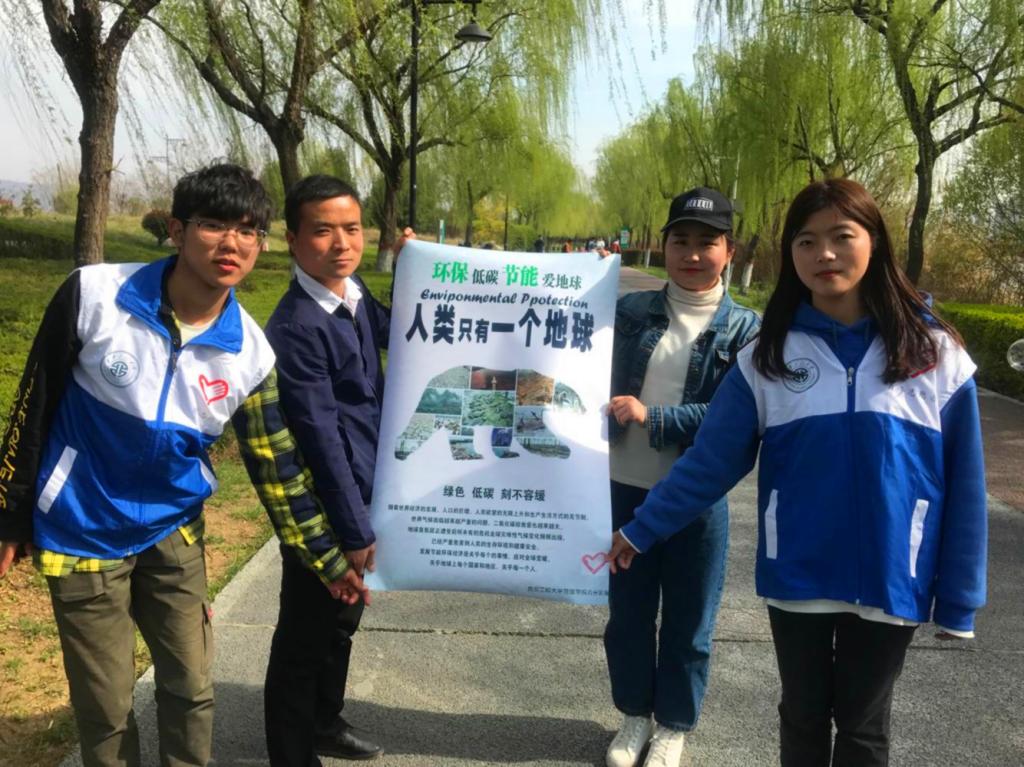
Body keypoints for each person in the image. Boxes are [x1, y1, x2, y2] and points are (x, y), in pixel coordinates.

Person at [609, 178, 987, 767]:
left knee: (864, 728)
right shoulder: (769, 356)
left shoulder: (933, 354)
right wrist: (641, 528)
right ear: (791, 255)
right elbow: (709, 461)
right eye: (806, 242)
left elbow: (965, 485)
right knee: (803, 716)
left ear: (875, 242)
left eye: (842, 236)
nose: (824, 254)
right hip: (799, 572)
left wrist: (960, 598)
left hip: (893, 575)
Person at [0, 163, 366, 767]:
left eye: (248, 231)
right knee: (106, 707)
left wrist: (328, 560)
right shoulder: (94, 295)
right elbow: (33, 402)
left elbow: (277, 470)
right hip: (81, 529)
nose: (231, 244)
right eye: (213, 225)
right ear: (176, 230)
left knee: (192, 689)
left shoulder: (250, 352)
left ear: (262, 244)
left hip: (173, 532)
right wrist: (12, 515)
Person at [603, 187, 760, 767]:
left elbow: (735, 421)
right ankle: (633, 717)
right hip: (622, 488)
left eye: (706, 242)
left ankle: (673, 726)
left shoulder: (746, 330)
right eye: (680, 241)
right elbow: (565, 345)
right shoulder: (629, 312)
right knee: (628, 617)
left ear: (729, 251)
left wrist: (655, 417)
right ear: (664, 246)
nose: (692, 254)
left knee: (690, 624)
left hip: (695, 501)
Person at [262, 175, 391, 765]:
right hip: (324, 510)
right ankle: (292, 751)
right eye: (323, 231)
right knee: (305, 633)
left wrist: (422, 268)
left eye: (352, 228)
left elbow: (403, 329)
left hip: (362, 493)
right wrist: (354, 530)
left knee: (341, 622)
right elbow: (320, 441)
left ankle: (324, 721)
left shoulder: (352, 292)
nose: (342, 243)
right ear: (293, 239)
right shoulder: (296, 328)